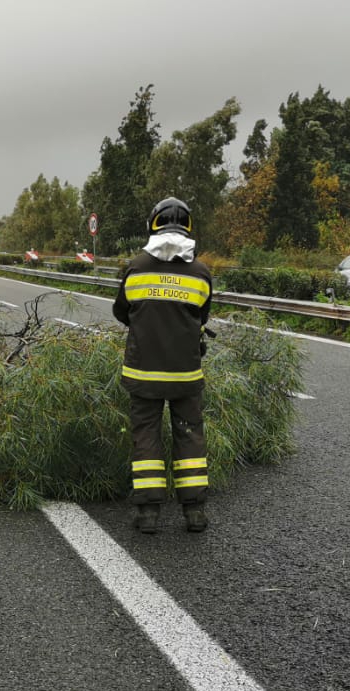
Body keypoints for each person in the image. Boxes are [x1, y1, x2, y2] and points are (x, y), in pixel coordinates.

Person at [112, 197, 213, 534]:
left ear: (152, 225)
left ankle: (148, 514)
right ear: (188, 227)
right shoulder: (200, 273)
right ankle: (194, 511)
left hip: (143, 373)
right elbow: (202, 315)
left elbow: (121, 312)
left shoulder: (136, 268)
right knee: (189, 436)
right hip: (186, 373)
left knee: (146, 437)